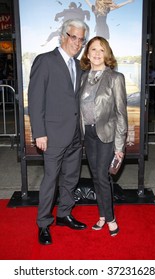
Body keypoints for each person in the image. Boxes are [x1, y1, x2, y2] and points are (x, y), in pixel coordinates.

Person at [28, 19, 89, 245]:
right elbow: (35, 100)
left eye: (82, 39)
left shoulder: (79, 66)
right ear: (64, 36)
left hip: (75, 134)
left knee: (71, 178)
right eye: (75, 37)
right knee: (50, 181)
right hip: (52, 135)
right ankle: (43, 223)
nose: (78, 43)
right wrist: (39, 132)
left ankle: (64, 214)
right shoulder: (45, 61)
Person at [79, 36, 128, 236]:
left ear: (106, 54)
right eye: (93, 50)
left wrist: (119, 147)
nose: (97, 53)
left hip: (107, 134)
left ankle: (110, 218)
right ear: (88, 54)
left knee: (101, 175)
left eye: (101, 50)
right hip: (88, 134)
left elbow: (121, 114)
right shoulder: (83, 77)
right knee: (98, 177)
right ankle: (102, 215)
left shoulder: (116, 78)